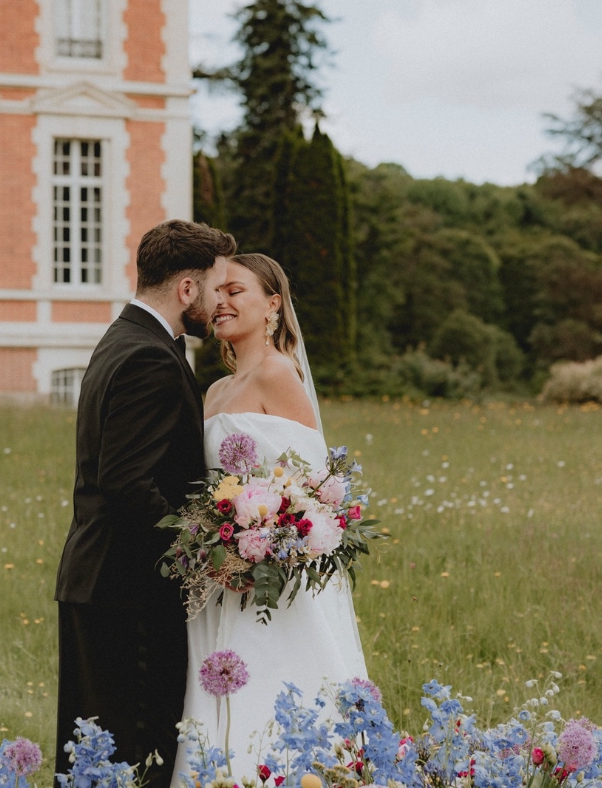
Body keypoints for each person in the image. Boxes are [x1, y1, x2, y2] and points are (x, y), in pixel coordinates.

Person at [170, 253, 368, 786]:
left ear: (273, 304)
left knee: (275, 686)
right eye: (218, 293)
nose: (222, 302)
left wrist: (265, 538)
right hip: (218, 577)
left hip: (273, 580)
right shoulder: (213, 390)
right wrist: (216, 543)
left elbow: (313, 489)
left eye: (237, 291)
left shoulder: (280, 374)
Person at [54, 220, 237, 788]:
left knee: (97, 756)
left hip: (102, 582)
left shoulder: (125, 339)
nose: (219, 302)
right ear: (187, 289)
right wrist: (198, 558)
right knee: (134, 754)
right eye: (215, 288)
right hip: (128, 592)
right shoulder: (150, 358)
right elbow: (128, 483)